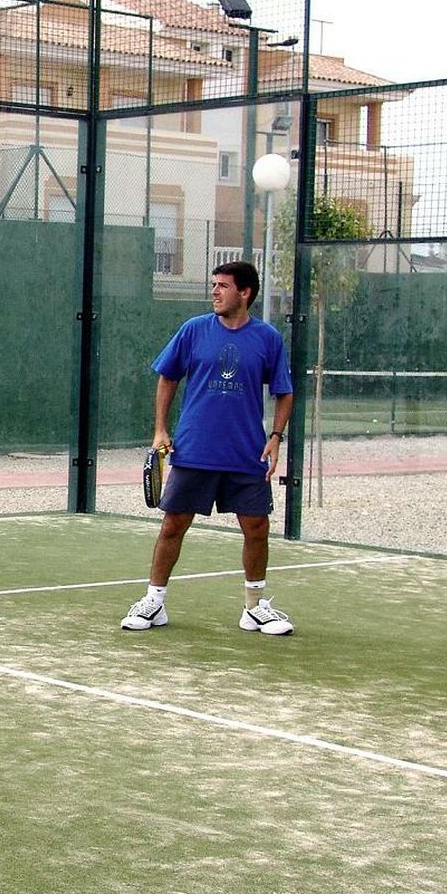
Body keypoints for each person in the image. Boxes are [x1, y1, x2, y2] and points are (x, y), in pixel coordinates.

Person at [122, 260, 296, 636]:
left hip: (246, 453)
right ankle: (154, 602)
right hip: (195, 449)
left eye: (223, 286)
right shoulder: (193, 330)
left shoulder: (267, 339)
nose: (214, 292)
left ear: (244, 293)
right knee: (173, 525)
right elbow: (167, 377)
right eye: (214, 285)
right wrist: (160, 430)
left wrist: (276, 437)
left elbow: (285, 391)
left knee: (257, 528)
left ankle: (254, 609)